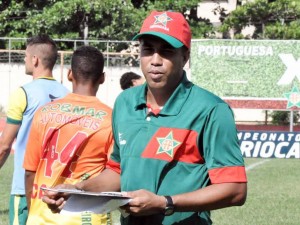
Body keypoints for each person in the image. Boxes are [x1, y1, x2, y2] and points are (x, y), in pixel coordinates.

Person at [43, 10, 247, 225]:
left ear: (185, 57)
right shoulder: (125, 103)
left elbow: (235, 190)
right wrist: (77, 190)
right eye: (148, 50)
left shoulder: (211, 110)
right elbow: (118, 171)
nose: (155, 61)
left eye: (166, 51)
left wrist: (165, 203)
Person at [23, 45, 114, 225]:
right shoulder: (111, 118)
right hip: (88, 217)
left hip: (42, 214)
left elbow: (29, 172)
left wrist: (33, 210)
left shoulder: (44, 112)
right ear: (102, 78)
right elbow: (114, 174)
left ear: (70, 74)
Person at [0, 34, 69, 225]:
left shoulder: (23, 93)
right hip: (57, 189)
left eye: (25, 55)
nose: (23, 59)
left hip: (25, 188)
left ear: (35, 60)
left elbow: (4, 146)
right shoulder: (68, 95)